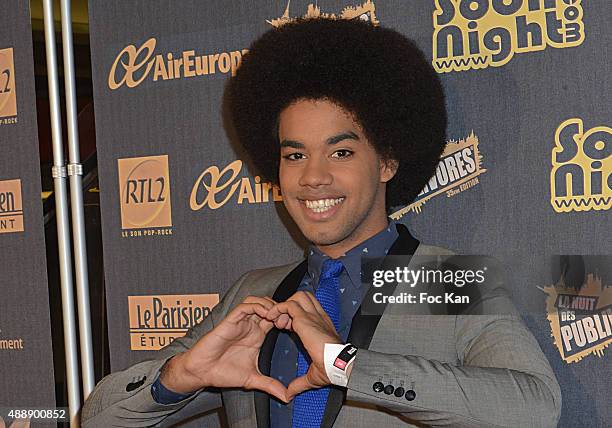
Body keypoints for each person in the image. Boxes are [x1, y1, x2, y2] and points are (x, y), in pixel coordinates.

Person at [82, 18, 561, 427]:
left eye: (342, 151)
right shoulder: (258, 294)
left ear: (387, 162)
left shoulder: (444, 280)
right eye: (295, 154)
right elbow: (99, 416)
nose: (313, 177)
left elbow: (535, 408)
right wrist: (180, 376)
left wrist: (347, 365)